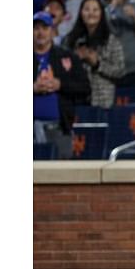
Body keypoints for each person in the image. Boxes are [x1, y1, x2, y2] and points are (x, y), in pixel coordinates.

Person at [34, 11, 91, 159]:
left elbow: (84, 87)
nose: (40, 33)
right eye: (36, 28)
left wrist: (60, 85)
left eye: (44, 28)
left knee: (60, 173)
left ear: (52, 31)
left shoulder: (67, 57)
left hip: (59, 128)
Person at [63, 0, 126, 109]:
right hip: (75, 99)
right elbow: (62, 68)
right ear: (81, 13)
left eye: (95, 10)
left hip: (102, 101)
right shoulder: (70, 40)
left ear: (101, 14)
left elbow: (120, 71)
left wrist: (97, 63)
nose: (91, 13)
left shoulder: (111, 41)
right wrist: (75, 60)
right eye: (87, 9)